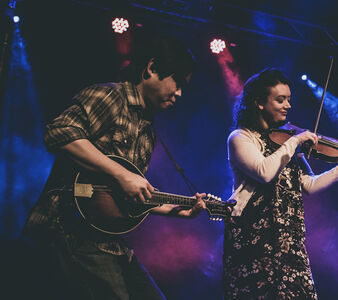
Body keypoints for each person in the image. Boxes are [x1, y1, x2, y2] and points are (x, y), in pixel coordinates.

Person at [21, 34, 206, 299]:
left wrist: (181, 212)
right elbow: (59, 132)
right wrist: (121, 174)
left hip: (107, 240)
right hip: (69, 229)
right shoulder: (110, 96)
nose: (179, 93)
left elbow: (127, 196)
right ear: (152, 69)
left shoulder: (147, 131)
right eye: (177, 81)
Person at [223, 68, 338, 299]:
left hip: (289, 242)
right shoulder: (240, 138)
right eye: (280, 100)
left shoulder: (286, 142)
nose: (288, 106)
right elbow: (264, 172)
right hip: (255, 240)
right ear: (259, 103)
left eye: (289, 100)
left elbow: (309, 184)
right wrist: (294, 141)